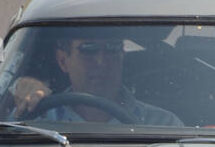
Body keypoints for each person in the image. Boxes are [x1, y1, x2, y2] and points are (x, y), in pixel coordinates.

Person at [12, 32, 181, 125]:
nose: (102, 61)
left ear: (122, 55)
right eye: (89, 50)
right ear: (63, 61)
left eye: (112, 48)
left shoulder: (162, 124)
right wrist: (19, 88)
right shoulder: (35, 121)